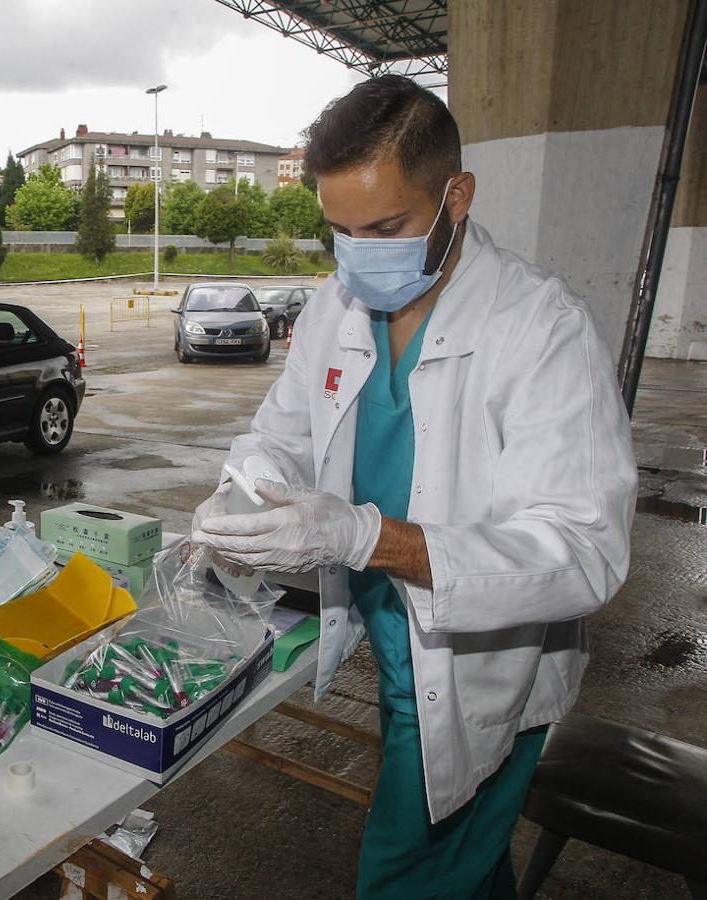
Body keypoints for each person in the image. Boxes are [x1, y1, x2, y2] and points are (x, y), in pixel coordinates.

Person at [191, 76, 637, 898]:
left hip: (483, 669)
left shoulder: (541, 330)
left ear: (456, 196)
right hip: (391, 638)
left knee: (407, 874)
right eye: (340, 232)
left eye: (387, 227)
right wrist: (245, 488)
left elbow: (584, 552)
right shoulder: (336, 305)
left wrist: (367, 539)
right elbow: (282, 430)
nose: (360, 255)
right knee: (463, 870)